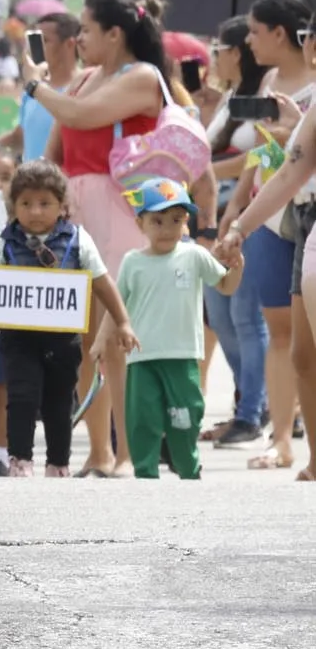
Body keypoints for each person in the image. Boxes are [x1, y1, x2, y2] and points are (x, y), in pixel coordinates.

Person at [22, 0, 171, 477]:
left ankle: (128, 450)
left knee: (115, 331)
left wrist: (34, 87)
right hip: (76, 205)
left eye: (86, 29)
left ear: (115, 34)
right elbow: (55, 148)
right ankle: (100, 451)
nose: (80, 38)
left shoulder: (143, 78)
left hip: (119, 204)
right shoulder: (85, 78)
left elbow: (79, 117)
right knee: (83, 335)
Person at [217, 0, 316, 472]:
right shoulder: (273, 83)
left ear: (285, 34)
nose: (248, 40)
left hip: (304, 213)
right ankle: (282, 439)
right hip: (282, 216)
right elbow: (270, 161)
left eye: (255, 31)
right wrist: (238, 210)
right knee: (289, 340)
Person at [0, 161, 137, 477]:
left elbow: (103, 281)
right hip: (19, 338)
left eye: (45, 203)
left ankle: (58, 463)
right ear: (13, 206)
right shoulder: (4, 243)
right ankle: (20, 460)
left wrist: (122, 321)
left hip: (63, 337)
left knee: (59, 401)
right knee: (21, 396)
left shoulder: (78, 240)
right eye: (26, 203)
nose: (36, 211)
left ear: (62, 205)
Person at [118, 181, 241, 479]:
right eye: (157, 221)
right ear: (140, 223)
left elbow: (224, 285)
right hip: (142, 358)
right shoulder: (132, 262)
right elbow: (117, 307)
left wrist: (237, 267)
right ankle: (145, 473)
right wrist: (101, 341)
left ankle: (188, 469)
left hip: (184, 355)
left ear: (187, 222)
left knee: (186, 415)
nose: (167, 229)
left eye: (176, 220)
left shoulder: (194, 256)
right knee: (143, 419)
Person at [200, 18, 273, 450]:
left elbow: (260, 154)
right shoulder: (231, 97)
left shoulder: (268, 92)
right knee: (220, 314)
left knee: (246, 316)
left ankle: (252, 412)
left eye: (220, 48)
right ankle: (256, 401)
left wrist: (206, 168)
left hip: (250, 208)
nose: (215, 56)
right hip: (218, 211)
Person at [8, 11, 79, 162]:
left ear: (70, 44)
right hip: (31, 182)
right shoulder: (32, 90)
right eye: (34, 41)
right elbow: (21, 135)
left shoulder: (85, 87)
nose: (36, 48)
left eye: (44, 41)